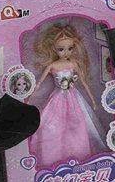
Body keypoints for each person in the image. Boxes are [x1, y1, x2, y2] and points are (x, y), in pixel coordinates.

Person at [26, 23, 105, 169]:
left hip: (73, 97)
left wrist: (93, 100)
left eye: (70, 48)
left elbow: (84, 83)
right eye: (61, 49)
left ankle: (80, 154)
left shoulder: (73, 64)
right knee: (52, 124)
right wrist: (29, 98)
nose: (66, 53)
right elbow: (39, 83)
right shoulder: (52, 66)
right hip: (57, 98)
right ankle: (53, 156)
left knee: (77, 124)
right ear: (53, 49)